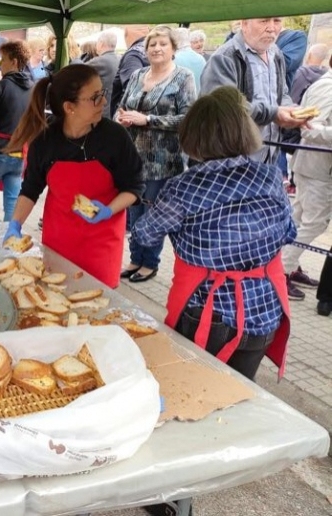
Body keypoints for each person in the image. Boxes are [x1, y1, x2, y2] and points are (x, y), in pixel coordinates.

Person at [132, 86, 294, 381]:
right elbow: (289, 232)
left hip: (209, 311)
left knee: (195, 386)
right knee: (241, 390)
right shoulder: (271, 177)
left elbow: (145, 234)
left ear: (193, 137)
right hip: (266, 310)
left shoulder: (184, 187)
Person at [3, 64, 143, 288]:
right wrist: (15, 224)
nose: (104, 102)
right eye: (95, 97)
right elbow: (30, 189)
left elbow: (134, 187)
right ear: (70, 107)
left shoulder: (115, 137)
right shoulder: (45, 141)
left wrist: (108, 210)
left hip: (102, 244)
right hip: (58, 241)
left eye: (103, 94)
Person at [117, 26, 196, 284]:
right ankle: (135, 258)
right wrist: (123, 116)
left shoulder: (183, 77)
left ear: (173, 49)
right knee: (134, 210)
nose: (157, 49)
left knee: (152, 214)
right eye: (152, 44)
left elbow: (188, 118)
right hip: (133, 158)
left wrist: (148, 119)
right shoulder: (139, 73)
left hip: (164, 160)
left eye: (163, 44)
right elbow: (124, 103)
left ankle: (149, 263)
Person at [200, 17, 310, 165]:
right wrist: (274, 113)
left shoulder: (275, 53)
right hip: (232, 160)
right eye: (264, 21)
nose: (271, 28)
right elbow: (223, 109)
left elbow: (281, 93)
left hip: (268, 156)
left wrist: (291, 111)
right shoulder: (225, 57)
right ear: (244, 24)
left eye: (276, 21)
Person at [281, 55, 332, 304]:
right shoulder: (328, 88)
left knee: (300, 218)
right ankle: (282, 270)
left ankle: (286, 266)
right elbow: (310, 128)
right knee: (313, 222)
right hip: (317, 168)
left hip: (315, 167)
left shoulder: (325, 84)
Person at [0, 40, 34, 222]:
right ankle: (8, 243)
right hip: (19, 155)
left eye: (3, 59)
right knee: (12, 203)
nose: (0, 63)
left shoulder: (0, 87)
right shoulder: (33, 89)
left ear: (15, 61)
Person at [110, 24, 150, 117]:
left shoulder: (133, 55)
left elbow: (134, 87)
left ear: (126, 34)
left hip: (128, 119)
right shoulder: (149, 51)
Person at [87, 30, 120, 119]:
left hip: (103, 111)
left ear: (101, 44)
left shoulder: (100, 61)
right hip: (114, 110)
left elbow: (77, 71)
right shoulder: (119, 59)